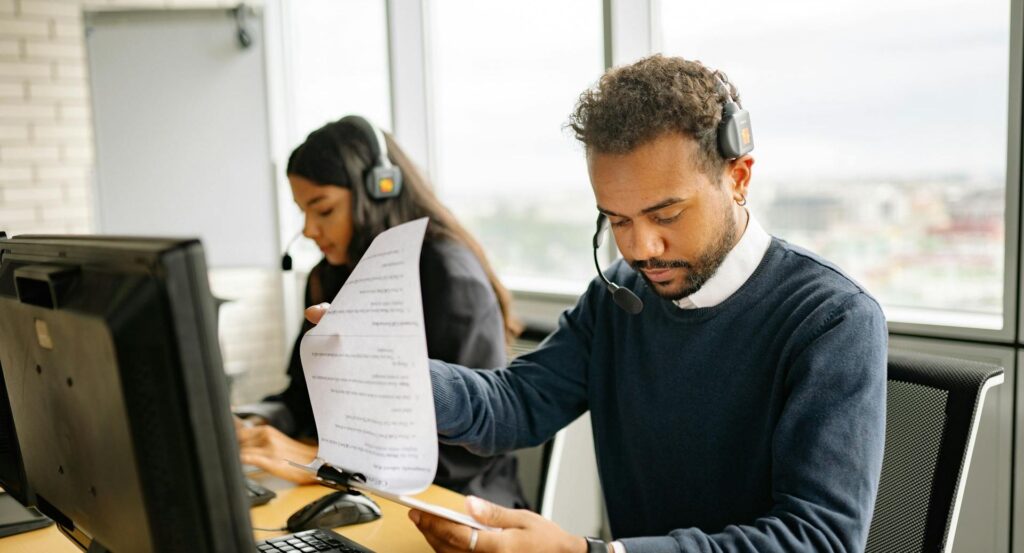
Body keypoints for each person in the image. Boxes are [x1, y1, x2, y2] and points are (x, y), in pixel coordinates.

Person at [305, 56, 887, 552]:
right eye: (617, 220)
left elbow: (819, 540)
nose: (640, 248)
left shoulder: (832, 320)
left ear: (738, 177)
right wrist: (398, 373)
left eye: (666, 215)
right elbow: (515, 404)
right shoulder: (619, 298)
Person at [235, 115, 529, 509]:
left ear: (378, 191)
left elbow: (467, 450)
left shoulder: (449, 275)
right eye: (302, 211)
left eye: (323, 210)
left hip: (457, 501)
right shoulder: (329, 275)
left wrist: (324, 462)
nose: (307, 230)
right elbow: (301, 400)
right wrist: (255, 421)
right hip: (362, 492)